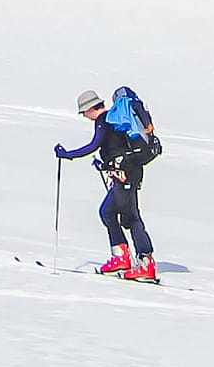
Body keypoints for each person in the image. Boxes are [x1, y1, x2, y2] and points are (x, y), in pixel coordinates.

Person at [55, 89, 158, 281]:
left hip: (124, 173)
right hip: (128, 171)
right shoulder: (114, 121)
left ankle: (143, 262)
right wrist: (104, 164)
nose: (84, 116)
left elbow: (94, 145)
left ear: (90, 109)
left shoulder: (105, 121)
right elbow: (116, 148)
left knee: (128, 216)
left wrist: (67, 154)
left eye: (84, 112)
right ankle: (124, 257)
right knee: (111, 212)